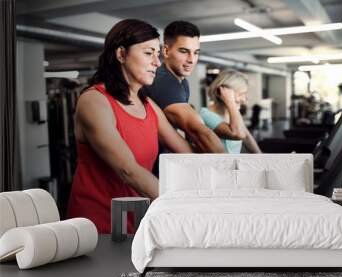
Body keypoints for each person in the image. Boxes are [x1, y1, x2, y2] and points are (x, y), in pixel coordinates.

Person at [67, 19, 192, 233]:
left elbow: (185, 152)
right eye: (148, 53)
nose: (157, 62)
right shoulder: (94, 101)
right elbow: (128, 170)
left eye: (157, 54)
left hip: (136, 222)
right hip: (97, 228)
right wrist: (182, 206)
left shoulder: (148, 105)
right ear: (121, 54)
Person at [145, 21, 224, 153]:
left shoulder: (182, 82)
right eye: (184, 51)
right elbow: (200, 133)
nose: (191, 59)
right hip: (150, 163)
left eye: (196, 52)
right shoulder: (164, 81)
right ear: (166, 50)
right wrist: (231, 168)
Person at [200, 69, 261, 154]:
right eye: (241, 94)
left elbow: (246, 135)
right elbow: (238, 134)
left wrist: (261, 155)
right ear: (223, 93)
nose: (244, 99)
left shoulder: (232, 112)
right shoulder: (206, 115)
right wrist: (230, 102)